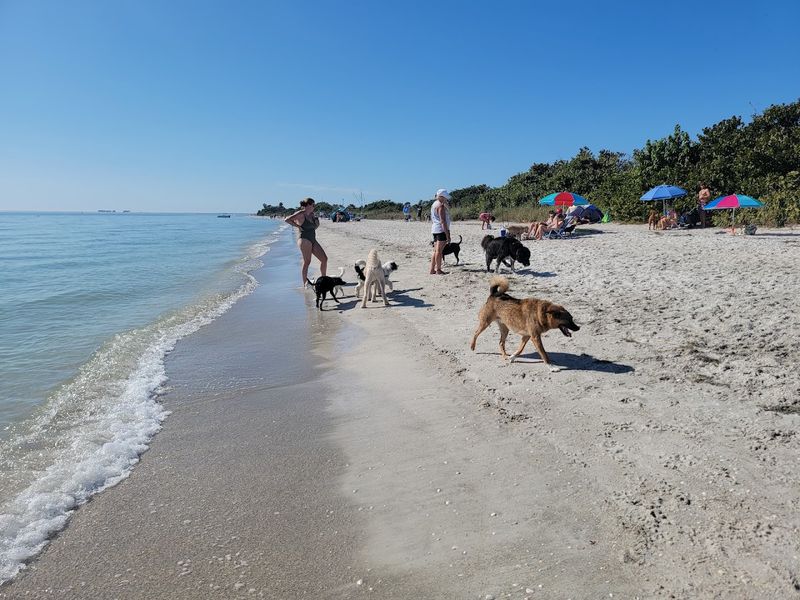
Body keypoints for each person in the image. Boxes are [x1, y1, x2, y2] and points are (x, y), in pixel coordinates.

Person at [284, 198, 327, 285]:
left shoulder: (312, 214)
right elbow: (287, 219)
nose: (314, 207)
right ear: (307, 205)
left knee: (324, 259)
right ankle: (305, 283)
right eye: (313, 205)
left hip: (313, 239)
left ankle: (323, 280)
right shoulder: (300, 214)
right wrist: (297, 226)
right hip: (304, 239)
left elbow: (314, 227)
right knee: (307, 261)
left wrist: (317, 222)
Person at [429, 189, 452, 275]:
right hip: (440, 230)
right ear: (441, 197)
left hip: (435, 229)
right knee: (439, 251)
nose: (446, 199)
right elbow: (443, 221)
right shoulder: (440, 206)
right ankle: (438, 269)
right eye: (445, 197)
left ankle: (432, 269)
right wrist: (447, 234)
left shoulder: (434, 204)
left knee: (435, 251)